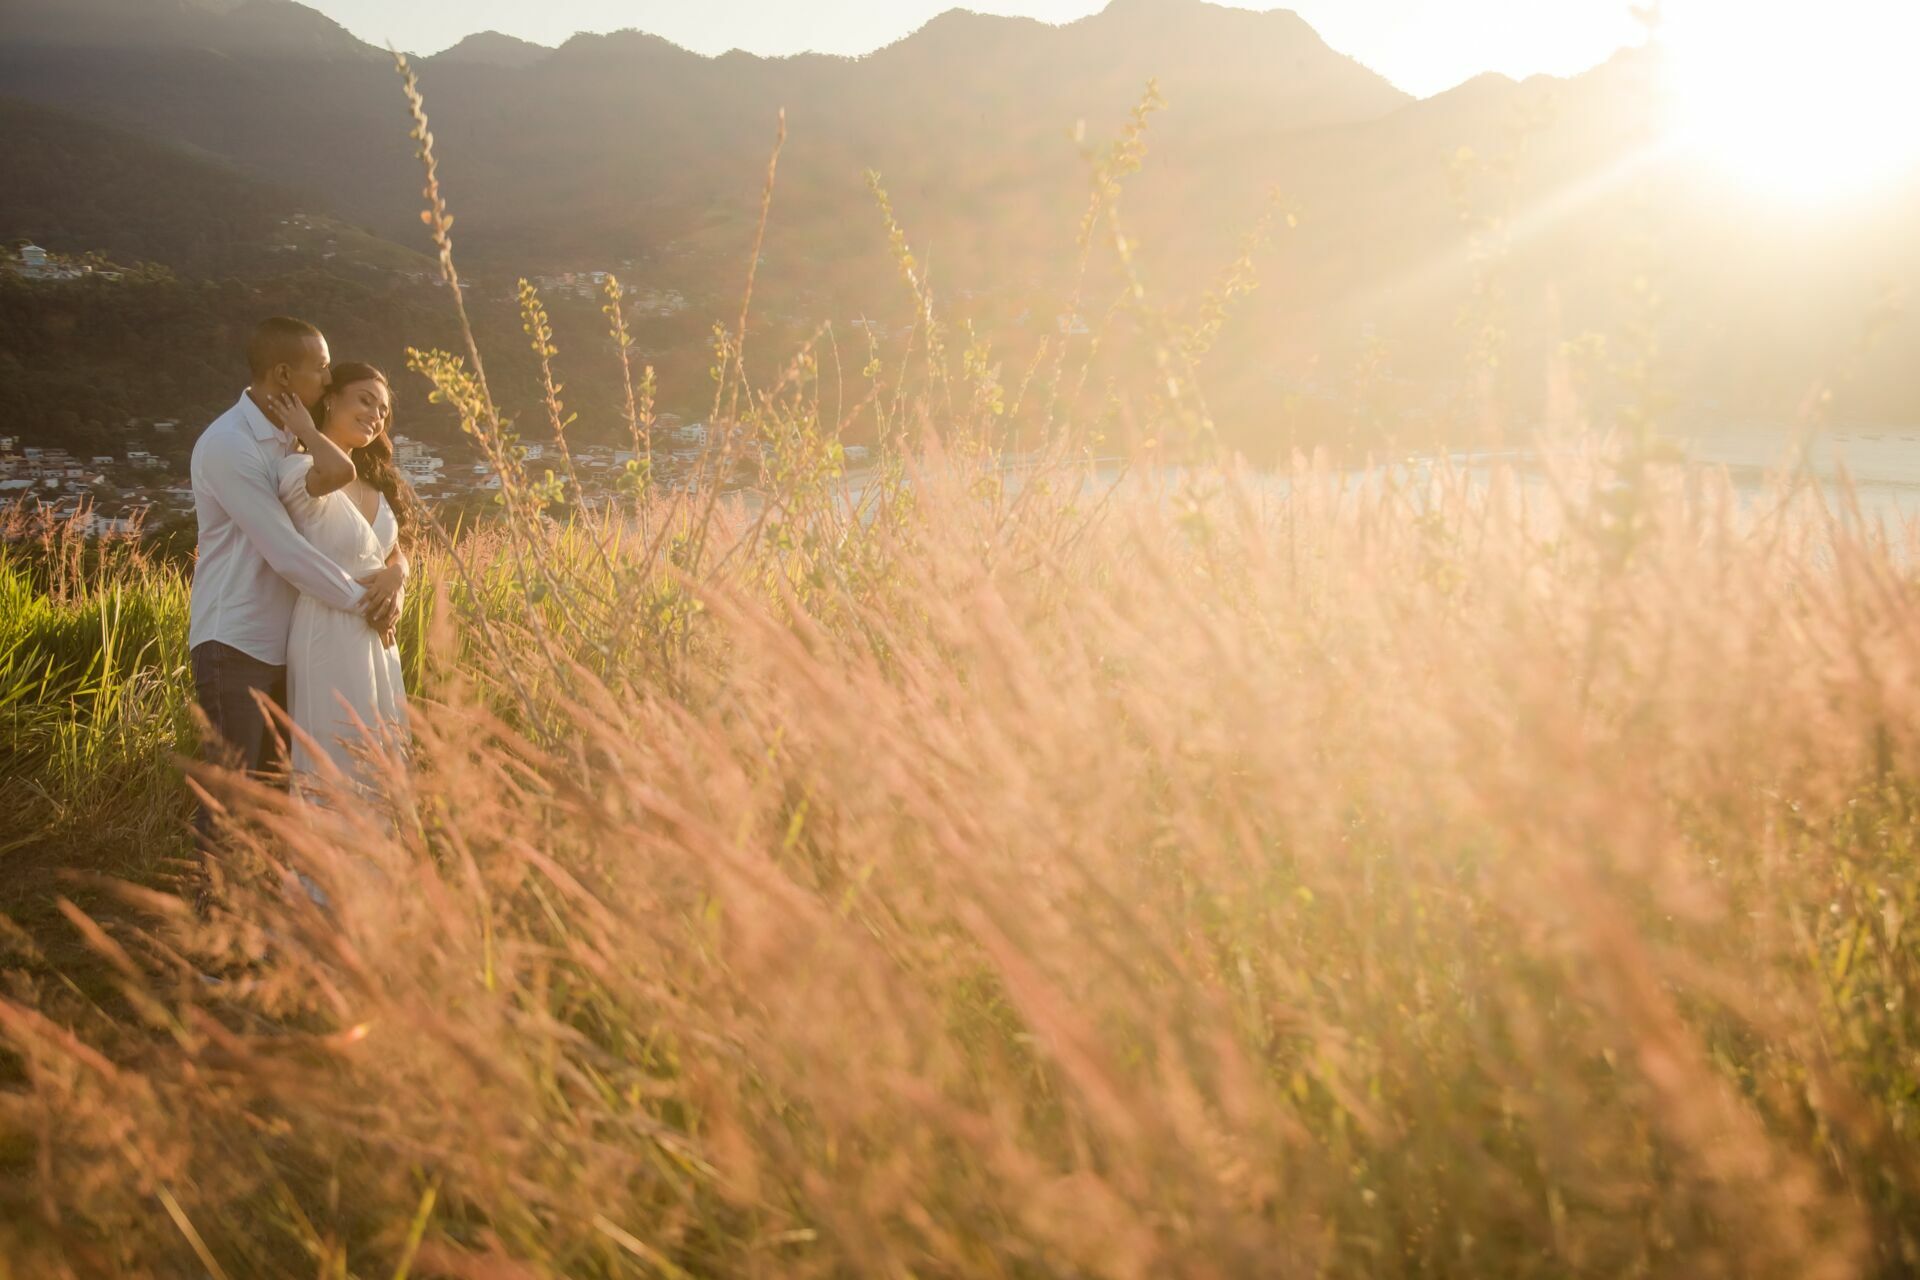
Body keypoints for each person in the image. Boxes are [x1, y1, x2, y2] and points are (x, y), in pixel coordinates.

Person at [188, 318, 405, 826]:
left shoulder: (291, 439)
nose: (328, 379)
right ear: (284, 374)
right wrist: (365, 605)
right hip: (237, 639)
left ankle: (265, 900)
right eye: (323, 368)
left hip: (298, 637)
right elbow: (286, 553)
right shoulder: (230, 444)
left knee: (280, 791)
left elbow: (374, 542)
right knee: (233, 789)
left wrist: (396, 578)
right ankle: (211, 902)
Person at [264, 361, 415, 797]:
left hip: (378, 638)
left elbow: (392, 549)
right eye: (365, 400)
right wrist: (308, 431)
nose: (375, 415)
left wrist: (398, 575)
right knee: (337, 757)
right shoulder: (299, 468)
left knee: (381, 755)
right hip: (326, 630)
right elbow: (334, 474)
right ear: (331, 398)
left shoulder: (376, 482)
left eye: (383, 410)